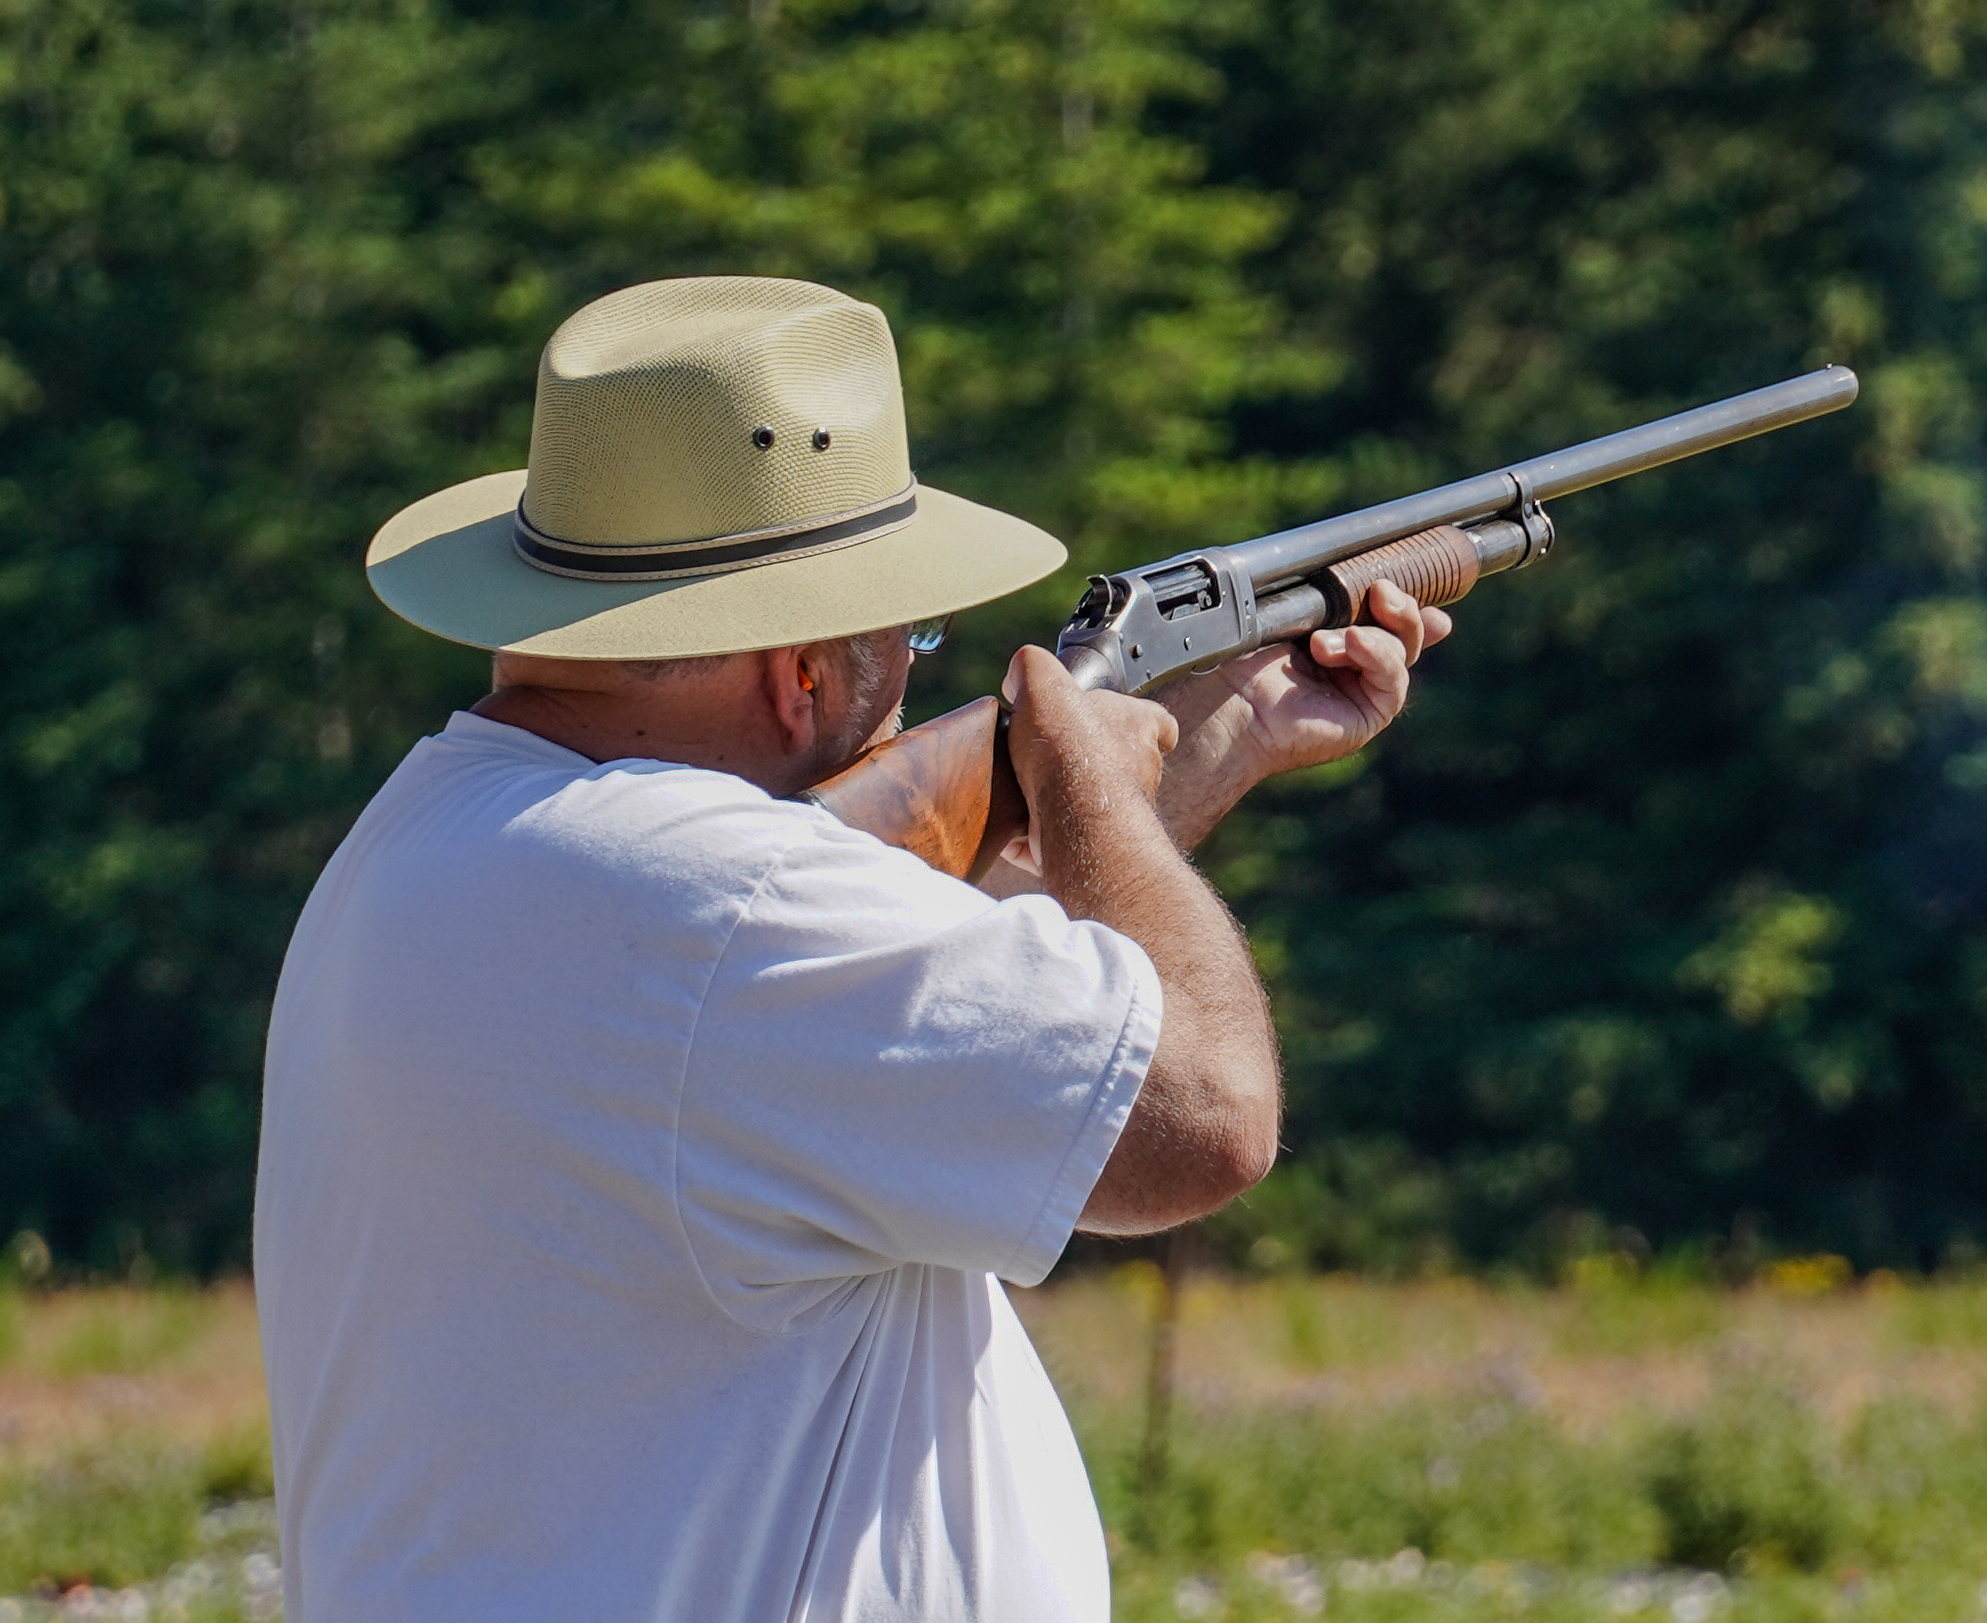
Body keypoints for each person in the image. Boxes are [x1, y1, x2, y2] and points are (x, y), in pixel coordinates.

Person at [254, 275, 1451, 1623]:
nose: (912, 669)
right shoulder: (718, 899)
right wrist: (1092, 790)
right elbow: (1203, 1117)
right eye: (908, 634)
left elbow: (932, 1012)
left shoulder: (441, 841)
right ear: (804, 672)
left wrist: (1220, 728)